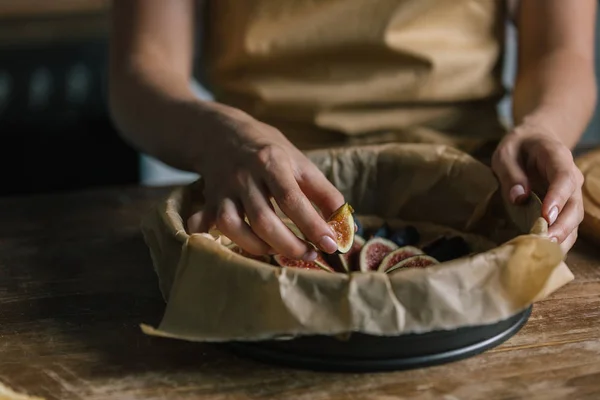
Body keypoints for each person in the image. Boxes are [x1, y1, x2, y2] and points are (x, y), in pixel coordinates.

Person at [108, 0, 597, 260]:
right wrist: (221, 136)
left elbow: (561, 53)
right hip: (260, 197)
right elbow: (141, 72)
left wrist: (542, 126)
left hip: (476, 194)